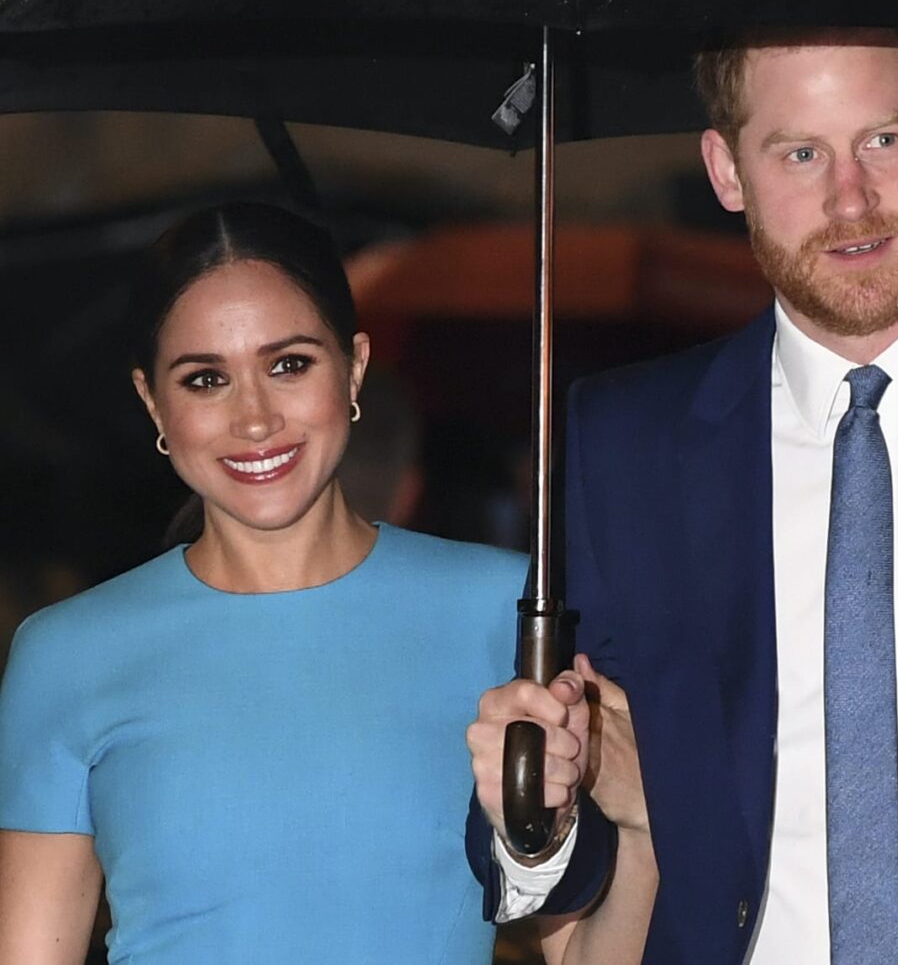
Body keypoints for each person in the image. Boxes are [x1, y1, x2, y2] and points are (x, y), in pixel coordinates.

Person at [467, 27, 898, 962]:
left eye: (883, 140)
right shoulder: (626, 443)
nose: (851, 199)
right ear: (727, 171)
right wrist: (544, 810)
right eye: (800, 153)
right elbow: (568, 853)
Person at [0, 202, 526, 964]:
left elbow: (592, 942)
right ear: (154, 402)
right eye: (206, 378)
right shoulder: (67, 654)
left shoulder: (506, 609)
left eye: (289, 364)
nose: (253, 418)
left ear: (355, 366)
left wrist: (636, 825)